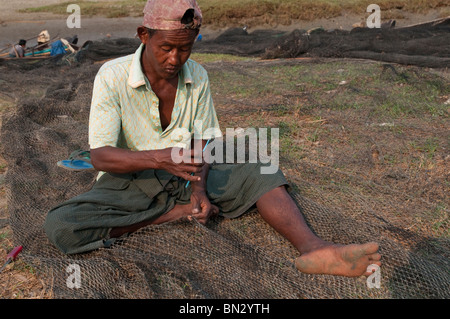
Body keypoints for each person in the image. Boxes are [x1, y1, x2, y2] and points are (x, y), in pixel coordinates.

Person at [44, 0, 381, 277]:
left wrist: (200, 189)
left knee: (261, 166)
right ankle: (172, 214)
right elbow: (101, 156)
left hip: (185, 174)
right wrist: (160, 159)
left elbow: (204, 143)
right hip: (128, 180)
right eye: (166, 48)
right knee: (61, 225)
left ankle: (314, 249)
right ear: (143, 35)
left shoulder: (198, 76)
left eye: (185, 49)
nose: (175, 60)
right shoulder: (112, 75)